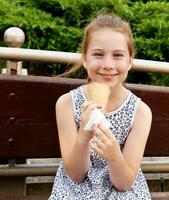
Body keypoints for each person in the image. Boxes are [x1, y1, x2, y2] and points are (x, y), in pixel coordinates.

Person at [49, 13, 152, 200]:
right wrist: (84, 135)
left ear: (130, 61)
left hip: (121, 188)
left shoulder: (141, 112)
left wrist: (113, 154)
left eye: (118, 55)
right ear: (85, 58)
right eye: (98, 54)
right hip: (75, 190)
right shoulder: (66, 104)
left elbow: (125, 183)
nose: (107, 65)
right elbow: (76, 175)